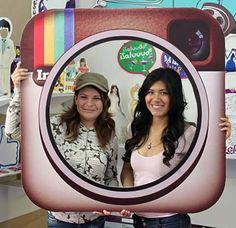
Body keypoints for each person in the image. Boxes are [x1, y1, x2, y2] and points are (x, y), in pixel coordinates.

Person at [5, 62, 119, 228]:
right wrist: (18, 91)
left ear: (104, 102)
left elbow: (110, 177)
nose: (89, 103)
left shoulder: (110, 135)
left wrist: (109, 201)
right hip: (60, 220)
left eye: (96, 98)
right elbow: (12, 131)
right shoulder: (54, 125)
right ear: (75, 99)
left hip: (95, 220)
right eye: (84, 97)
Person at [120, 67, 232, 228]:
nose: (156, 98)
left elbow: (205, 175)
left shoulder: (188, 133)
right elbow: (128, 169)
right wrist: (129, 197)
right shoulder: (135, 128)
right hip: (138, 219)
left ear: (174, 97)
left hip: (170, 220)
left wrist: (219, 140)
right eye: (151, 92)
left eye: (164, 93)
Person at [0, 17, 16, 96]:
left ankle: (6, 94)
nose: (3, 32)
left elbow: (13, 54)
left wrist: (8, 62)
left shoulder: (10, 42)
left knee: (6, 79)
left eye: (5, 30)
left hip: (6, 65)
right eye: (1, 30)